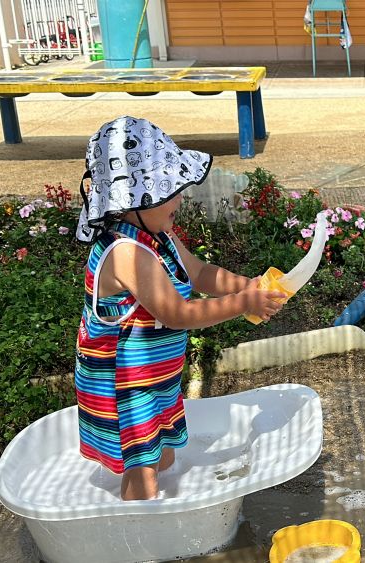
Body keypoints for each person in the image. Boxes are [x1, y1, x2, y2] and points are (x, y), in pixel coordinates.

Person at [73, 116, 286, 500]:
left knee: (166, 459)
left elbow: (202, 273)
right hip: (125, 386)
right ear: (133, 197)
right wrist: (243, 304)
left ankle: (161, 511)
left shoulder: (157, 237)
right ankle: (140, 540)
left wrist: (248, 286)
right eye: (168, 190)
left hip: (155, 377)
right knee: (144, 473)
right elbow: (178, 314)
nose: (179, 199)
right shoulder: (126, 253)